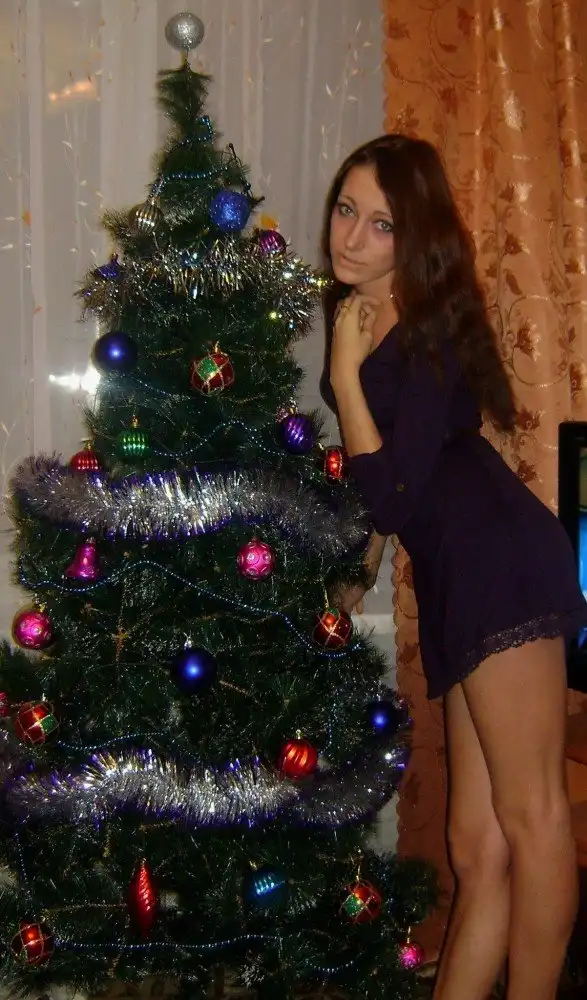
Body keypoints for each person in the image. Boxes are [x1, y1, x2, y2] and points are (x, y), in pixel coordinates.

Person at [319, 134, 587, 1000]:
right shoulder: (362, 312)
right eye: (346, 209)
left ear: (415, 237)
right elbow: (399, 479)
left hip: (500, 562)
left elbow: (395, 493)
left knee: (532, 817)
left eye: (381, 224)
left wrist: (343, 378)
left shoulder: (423, 329)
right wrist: (362, 568)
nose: (350, 235)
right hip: (453, 577)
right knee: (476, 845)